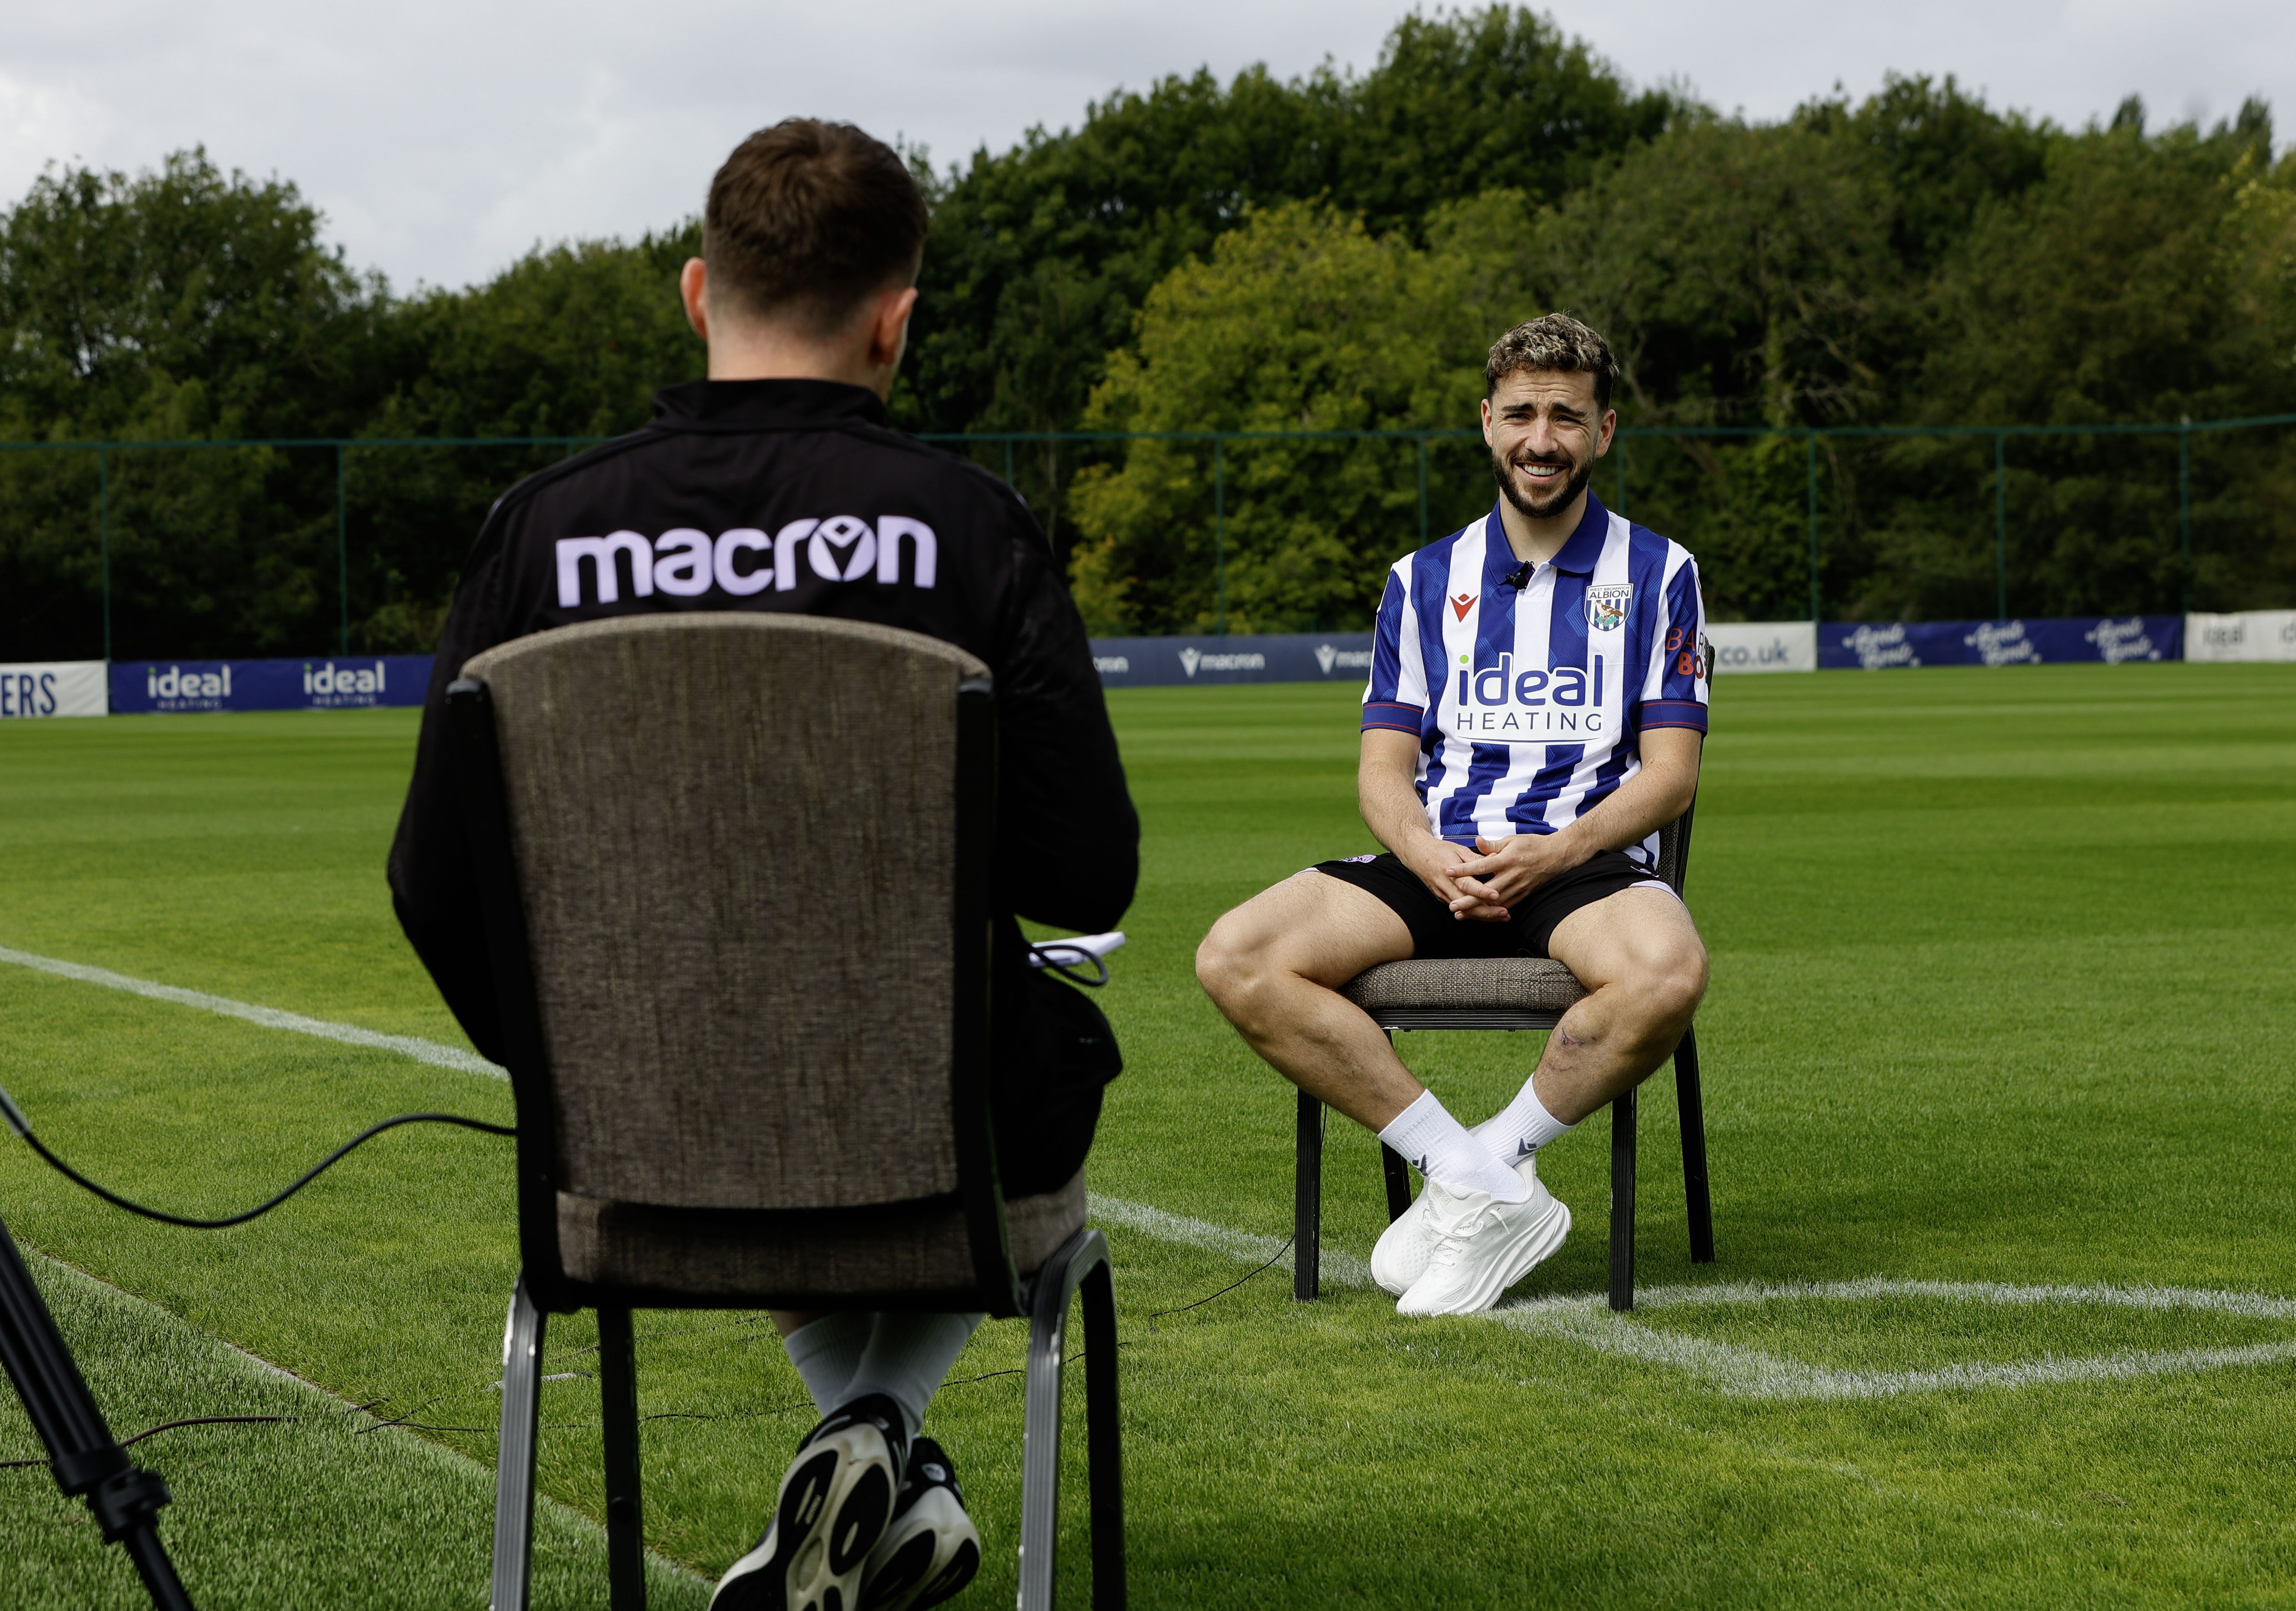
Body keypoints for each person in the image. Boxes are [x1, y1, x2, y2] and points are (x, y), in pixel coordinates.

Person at [386, 119, 1138, 1611]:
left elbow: (430, 882)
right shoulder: (965, 528)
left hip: (636, 1154)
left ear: (693, 291)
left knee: (777, 1064)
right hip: (931, 1145)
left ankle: (872, 1449)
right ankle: (880, 1428)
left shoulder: (542, 534)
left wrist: (592, 1082)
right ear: (895, 317)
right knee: (1046, 1045)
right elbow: (1086, 876)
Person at [1195, 313, 1708, 1318]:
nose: (1541, 439)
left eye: (1567, 416)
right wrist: (1426, 853)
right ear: (1486, 423)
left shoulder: (1659, 573)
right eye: (1520, 413)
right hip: (1439, 860)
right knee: (1235, 956)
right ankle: (1472, 1178)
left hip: (1581, 862)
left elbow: (1669, 776)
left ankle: (1497, 1161)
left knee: (1670, 971)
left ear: (1603, 431)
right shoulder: (1423, 579)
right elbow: (1383, 770)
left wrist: (1559, 848)